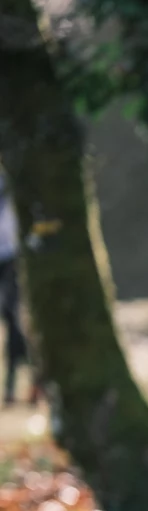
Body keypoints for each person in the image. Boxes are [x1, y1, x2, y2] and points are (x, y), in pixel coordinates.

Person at [0, 171, 30, 405]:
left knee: (12, 317)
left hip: (11, 260)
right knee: (11, 320)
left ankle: (15, 385)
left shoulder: (11, 185)